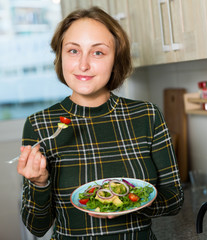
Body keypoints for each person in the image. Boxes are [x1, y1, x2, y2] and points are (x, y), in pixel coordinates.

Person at [17, 6, 184, 240]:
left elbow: (174, 198)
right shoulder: (39, 125)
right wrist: (39, 183)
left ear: (116, 59)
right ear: (60, 56)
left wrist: (128, 205)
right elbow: (36, 227)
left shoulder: (147, 115)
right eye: (73, 51)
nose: (83, 65)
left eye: (98, 53)